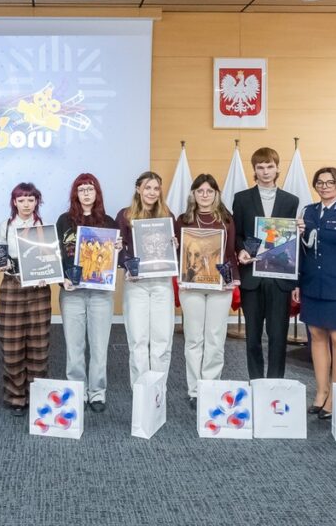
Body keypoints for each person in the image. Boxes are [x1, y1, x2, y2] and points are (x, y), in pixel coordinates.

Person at [294, 167, 336, 420]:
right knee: (316, 336)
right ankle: (321, 391)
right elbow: (302, 252)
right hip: (313, 283)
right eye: (320, 182)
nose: (324, 186)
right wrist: (298, 283)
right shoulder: (309, 212)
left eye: (330, 182)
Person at [232, 147, 300, 379]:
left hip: (280, 278)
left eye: (270, 166)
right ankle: (256, 382)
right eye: (260, 167)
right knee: (252, 338)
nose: (265, 171)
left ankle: (275, 386)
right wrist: (242, 249)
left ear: (277, 168)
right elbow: (238, 234)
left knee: (278, 337)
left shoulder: (291, 201)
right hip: (252, 276)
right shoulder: (241, 199)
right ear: (254, 170)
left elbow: (290, 240)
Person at [56, 174, 119, 413]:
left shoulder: (109, 222)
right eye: (81, 189)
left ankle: (97, 393)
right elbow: (57, 254)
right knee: (74, 347)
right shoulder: (64, 221)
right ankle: (77, 391)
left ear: (97, 193)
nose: (85, 193)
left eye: (90, 189)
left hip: (100, 293)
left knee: (99, 346)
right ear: (75, 194)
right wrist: (63, 281)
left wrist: (117, 250)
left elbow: (116, 259)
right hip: (72, 292)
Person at [178, 174, 238, 408]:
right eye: (200, 191)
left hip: (219, 286)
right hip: (191, 285)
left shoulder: (226, 219)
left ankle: (210, 386)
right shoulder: (183, 220)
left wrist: (230, 279)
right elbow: (179, 253)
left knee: (215, 337)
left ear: (216, 194)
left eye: (209, 191)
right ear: (193, 194)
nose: (204, 195)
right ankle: (194, 390)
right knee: (194, 338)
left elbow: (231, 252)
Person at [114, 171, 179, 386]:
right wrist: (122, 256)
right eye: (147, 187)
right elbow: (119, 252)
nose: (152, 192)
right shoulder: (124, 216)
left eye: (156, 188)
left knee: (162, 342)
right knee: (138, 342)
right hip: (137, 285)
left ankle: (157, 392)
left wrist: (175, 247)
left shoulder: (168, 216)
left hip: (162, 284)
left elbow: (175, 254)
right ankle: (141, 392)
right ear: (138, 189)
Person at [0, 182, 52, 416]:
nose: (26, 204)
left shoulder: (45, 227)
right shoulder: (5, 226)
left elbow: (50, 260)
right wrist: (3, 264)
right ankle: (16, 396)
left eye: (31, 199)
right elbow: (0, 257)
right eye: (21, 200)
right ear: (14, 202)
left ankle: (37, 394)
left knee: (38, 345)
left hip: (39, 288)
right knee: (12, 344)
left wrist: (46, 272)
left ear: (37, 201)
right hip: (12, 285)